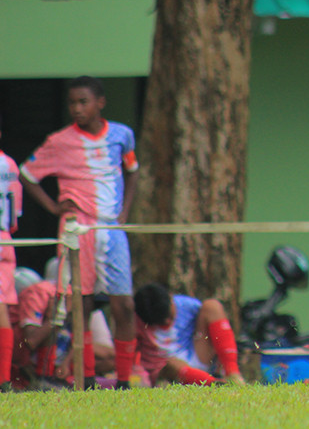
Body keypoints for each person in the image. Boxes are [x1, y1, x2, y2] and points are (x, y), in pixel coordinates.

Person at [19, 75, 140, 389]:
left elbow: (132, 171)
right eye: (72, 102)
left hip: (110, 228)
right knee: (81, 305)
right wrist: (53, 207)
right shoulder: (59, 141)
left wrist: (125, 212)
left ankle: (124, 381)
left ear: (100, 103)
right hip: (76, 229)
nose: (76, 108)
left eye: (83, 102)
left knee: (124, 305)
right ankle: (86, 380)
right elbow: (27, 174)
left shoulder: (122, 135)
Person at [133, 282, 244, 385]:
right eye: (160, 322)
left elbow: (213, 330)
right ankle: (216, 384)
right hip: (167, 370)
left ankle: (233, 374)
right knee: (172, 364)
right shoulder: (136, 323)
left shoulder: (187, 306)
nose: (167, 322)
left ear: (171, 299)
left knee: (212, 306)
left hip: (196, 354)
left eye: (170, 316)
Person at [0, 122, 21, 392]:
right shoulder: (10, 165)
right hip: (5, 238)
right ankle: (4, 379)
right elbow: (15, 217)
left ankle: (3, 382)